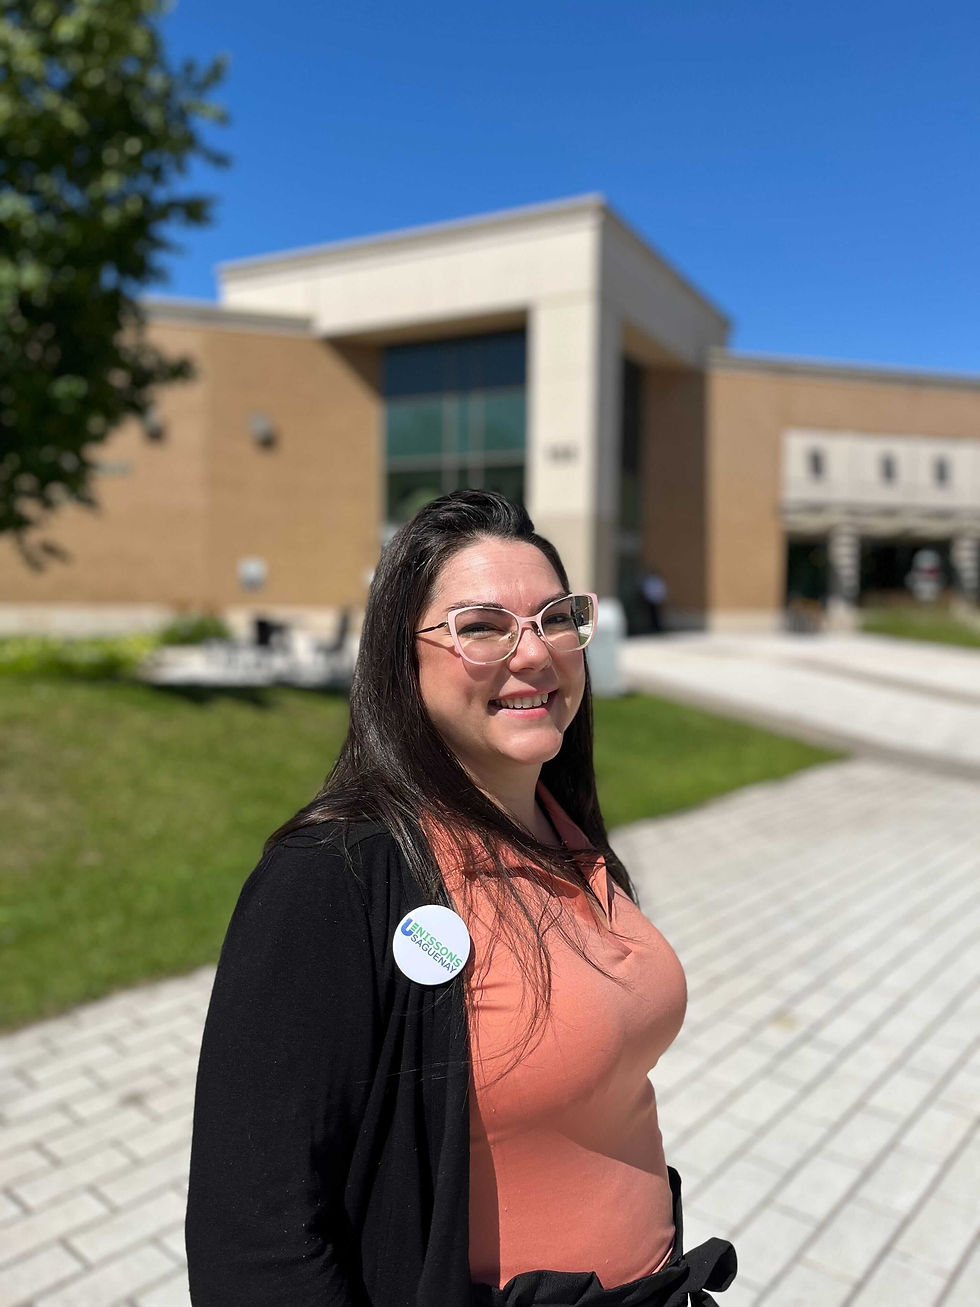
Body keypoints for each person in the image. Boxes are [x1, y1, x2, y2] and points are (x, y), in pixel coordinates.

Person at [185, 490, 737, 1307]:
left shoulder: (562, 828)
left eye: (555, 617)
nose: (535, 653)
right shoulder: (332, 877)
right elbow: (255, 1237)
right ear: (400, 659)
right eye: (481, 627)